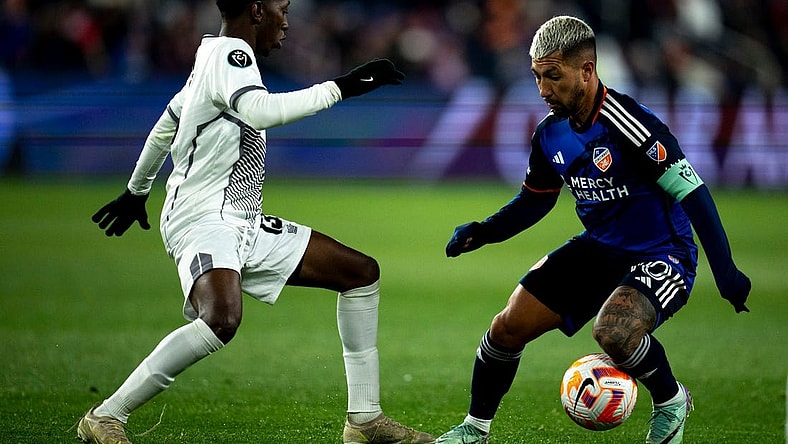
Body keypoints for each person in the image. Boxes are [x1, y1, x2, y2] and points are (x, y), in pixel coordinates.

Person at [76, 1, 434, 443]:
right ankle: (106, 416)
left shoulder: (213, 57)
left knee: (360, 274)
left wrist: (137, 190)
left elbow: (166, 124)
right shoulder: (233, 57)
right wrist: (342, 86)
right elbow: (261, 112)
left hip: (242, 220)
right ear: (257, 11)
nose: (287, 19)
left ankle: (365, 421)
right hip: (205, 217)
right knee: (221, 319)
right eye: (282, 8)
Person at [435, 15, 751, 444]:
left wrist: (726, 271)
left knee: (613, 331)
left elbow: (693, 192)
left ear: (586, 70)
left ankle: (671, 399)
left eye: (553, 76)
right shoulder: (550, 133)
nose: (543, 89)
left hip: (662, 251)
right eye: (537, 77)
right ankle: (475, 431)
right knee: (506, 328)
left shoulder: (629, 124)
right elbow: (536, 198)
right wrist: (484, 231)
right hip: (599, 247)